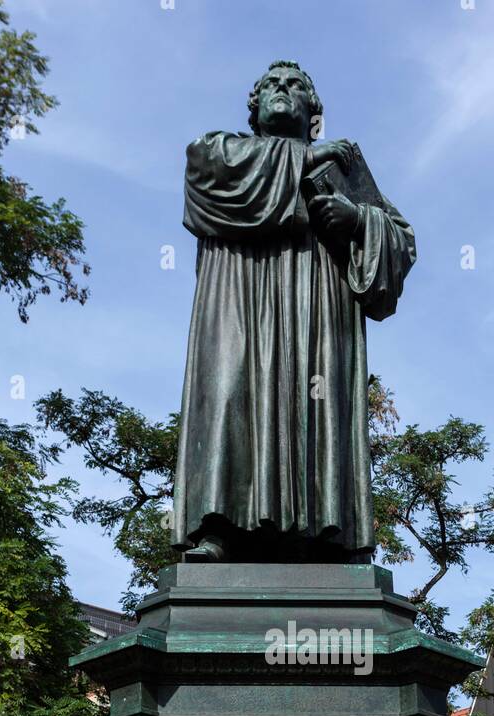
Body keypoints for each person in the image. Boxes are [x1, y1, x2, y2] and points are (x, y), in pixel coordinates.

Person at [172, 60, 416, 562]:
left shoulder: (342, 166)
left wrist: (357, 219)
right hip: (238, 298)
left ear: (313, 112)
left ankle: (329, 535)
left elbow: (402, 242)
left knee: (318, 401)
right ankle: (219, 529)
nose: (283, 90)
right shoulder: (222, 152)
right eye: (272, 86)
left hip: (317, 307)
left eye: (296, 86)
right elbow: (201, 172)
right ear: (254, 107)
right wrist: (302, 159)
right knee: (229, 393)